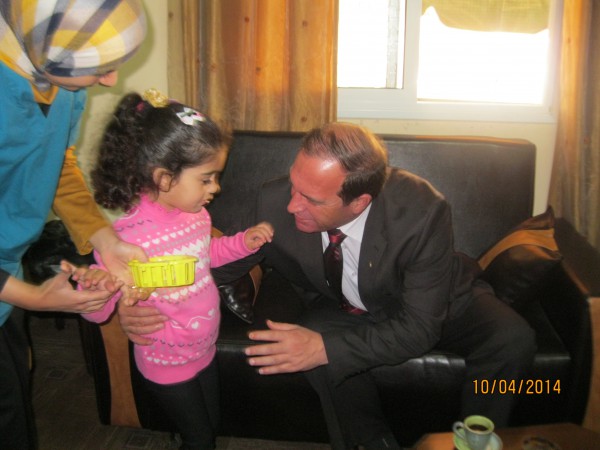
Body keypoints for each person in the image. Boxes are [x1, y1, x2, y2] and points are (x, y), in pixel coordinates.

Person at [119, 122, 537, 450]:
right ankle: (372, 443)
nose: (291, 205)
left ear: (360, 202)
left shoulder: (421, 211)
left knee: (512, 338)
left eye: (312, 200)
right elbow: (210, 268)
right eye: (294, 186)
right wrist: (136, 299)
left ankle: (476, 441)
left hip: (432, 299)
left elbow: (419, 328)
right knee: (308, 343)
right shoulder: (275, 203)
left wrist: (326, 349)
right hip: (344, 309)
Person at [79, 90, 274, 450]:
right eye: (206, 178)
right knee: (200, 439)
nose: (216, 188)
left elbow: (206, 256)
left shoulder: (197, 216)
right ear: (164, 178)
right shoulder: (125, 237)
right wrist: (95, 288)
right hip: (165, 361)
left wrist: (243, 243)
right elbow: (97, 312)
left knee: (209, 427)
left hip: (205, 347)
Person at [0, 2, 147, 448]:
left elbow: (57, 165)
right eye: (100, 69)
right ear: (50, 54)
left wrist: (107, 239)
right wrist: (33, 297)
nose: (111, 81)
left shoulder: (59, 83)